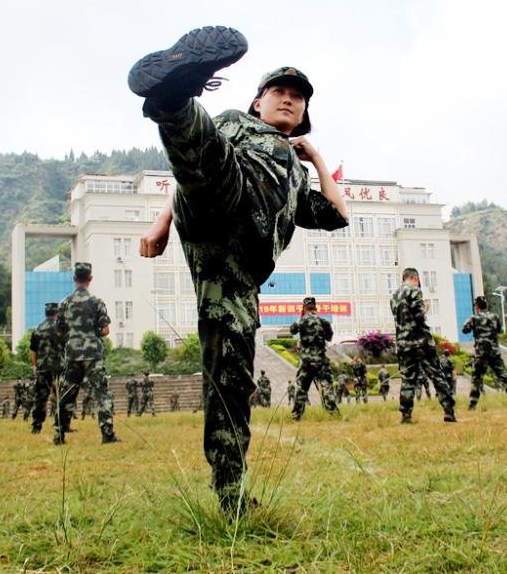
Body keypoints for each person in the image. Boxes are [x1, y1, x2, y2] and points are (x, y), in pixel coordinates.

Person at [130, 26, 349, 512]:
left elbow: (338, 215)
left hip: (237, 269)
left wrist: (313, 158)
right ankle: (174, 99)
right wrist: (160, 223)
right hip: (223, 195)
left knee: (231, 375)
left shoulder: (295, 174)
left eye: (298, 98)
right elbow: (192, 175)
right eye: (278, 92)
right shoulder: (235, 122)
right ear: (257, 103)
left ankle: (231, 493)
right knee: (210, 161)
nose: (288, 101)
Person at [53, 262, 120, 445]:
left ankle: (59, 434)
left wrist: (74, 334)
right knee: (101, 394)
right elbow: (105, 330)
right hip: (93, 354)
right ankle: (107, 435)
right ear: (90, 279)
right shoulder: (96, 302)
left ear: (75, 279)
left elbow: (59, 332)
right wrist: (91, 333)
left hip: (73, 353)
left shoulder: (64, 303)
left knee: (67, 394)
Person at [391, 268, 456, 422]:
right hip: (421, 342)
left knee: (408, 379)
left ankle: (406, 415)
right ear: (415, 278)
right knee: (436, 375)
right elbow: (419, 314)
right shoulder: (414, 291)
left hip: (403, 343)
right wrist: (426, 307)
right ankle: (448, 411)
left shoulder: (394, 296)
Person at [463, 296, 507, 410]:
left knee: (477, 378)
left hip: (481, 353)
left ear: (477, 306)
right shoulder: (495, 317)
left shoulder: (474, 318)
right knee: (502, 375)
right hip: (494, 351)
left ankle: (473, 404)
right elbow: (499, 330)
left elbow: (465, 330)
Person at [288, 297, 338, 420]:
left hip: (306, 361)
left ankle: (296, 416)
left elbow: (292, 331)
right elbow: (329, 338)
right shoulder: (324, 321)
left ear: (304, 307)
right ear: (316, 307)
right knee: (326, 387)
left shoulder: (300, 321)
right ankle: (333, 413)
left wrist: (301, 317)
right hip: (321, 360)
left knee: (301, 388)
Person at [30, 302, 65, 434]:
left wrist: (35, 365)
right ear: (57, 313)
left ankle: (36, 426)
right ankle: (61, 425)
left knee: (40, 398)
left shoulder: (38, 329)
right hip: (59, 367)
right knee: (60, 397)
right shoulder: (61, 328)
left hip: (43, 368)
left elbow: (33, 350)